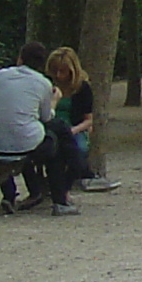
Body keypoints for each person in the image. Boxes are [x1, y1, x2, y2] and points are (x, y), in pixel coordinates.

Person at [0, 42, 76, 215]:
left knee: (48, 134)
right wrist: (54, 101)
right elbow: (46, 117)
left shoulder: (2, 75)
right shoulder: (43, 83)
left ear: (20, 58)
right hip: (29, 143)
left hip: (0, 141)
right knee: (56, 143)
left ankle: (23, 193)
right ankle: (61, 198)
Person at [43, 45, 99, 199]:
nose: (59, 75)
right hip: (51, 126)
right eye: (55, 71)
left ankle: (65, 186)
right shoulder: (47, 85)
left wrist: (73, 130)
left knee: (78, 150)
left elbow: (89, 120)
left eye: (63, 71)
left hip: (74, 128)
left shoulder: (82, 88)